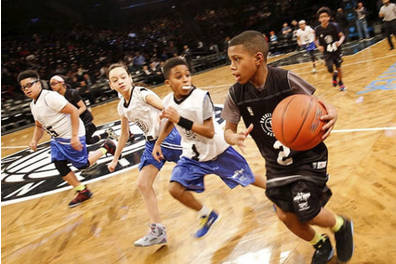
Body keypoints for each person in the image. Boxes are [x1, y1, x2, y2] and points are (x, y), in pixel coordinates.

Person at [222, 30, 354, 264]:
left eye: (237, 59)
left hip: (307, 157)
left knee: (306, 209)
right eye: (230, 60)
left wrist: (331, 110)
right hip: (276, 163)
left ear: (258, 58)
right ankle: (321, 244)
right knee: (285, 214)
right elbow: (228, 130)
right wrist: (234, 137)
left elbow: (319, 103)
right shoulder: (235, 94)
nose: (232, 66)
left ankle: (341, 225)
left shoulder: (285, 79)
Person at [152, 57, 267, 239]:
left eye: (187, 75)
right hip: (193, 156)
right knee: (175, 189)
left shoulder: (201, 98)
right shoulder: (168, 100)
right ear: (168, 82)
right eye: (179, 76)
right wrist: (158, 142)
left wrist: (179, 119)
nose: (185, 79)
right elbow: (169, 121)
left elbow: (209, 132)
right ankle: (206, 214)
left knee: (250, 177)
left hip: (218, 152)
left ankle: (278, 194)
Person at [106, 63, 183, 247]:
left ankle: (235, 170)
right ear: (111, 86)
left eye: (123, 77)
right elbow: (124, 134)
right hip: (151, 143)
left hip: (168, 137)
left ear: (130, 78)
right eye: (115, 80)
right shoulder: (121, 107)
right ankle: (158, 231)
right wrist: (115, 158)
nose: (120, 81)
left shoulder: (142, 94)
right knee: (143, 184)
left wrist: (163, 114)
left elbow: (166, 108)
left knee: (205, 162)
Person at [17, 70, 117, 208]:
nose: (27, 89)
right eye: (24, 87)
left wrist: (75, 137)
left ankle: (107, 147)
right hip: (58, 139)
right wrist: (34, 140)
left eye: (29, 84)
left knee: (83, 165)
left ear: (38, 84)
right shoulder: (33, 105)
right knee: (59, 164)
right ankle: (82, 191)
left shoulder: (49, 97)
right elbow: (39, 126)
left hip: (72, 134)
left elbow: (74, 111)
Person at [49, 75, 118, 144]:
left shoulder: (72, 93)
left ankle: (106, 135)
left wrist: (74, 115)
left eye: (54, 84)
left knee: (86, 141)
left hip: (84, 118)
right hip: (75, 121)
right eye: (51, 84)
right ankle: (106, 134)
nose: (52, 86)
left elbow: (83, 107)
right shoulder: (57, 97)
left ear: (62, 83)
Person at [315, 7, 347, 91]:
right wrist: (318, 46)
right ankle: (334, 75)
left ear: (328, 17)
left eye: (325, 16)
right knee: (329, 68)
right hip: (326, 51)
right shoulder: (317, 29)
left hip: (336, 50)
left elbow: (342, 36)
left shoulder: (334, 26)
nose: (323, 18)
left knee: (338, 67)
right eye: (321, 17)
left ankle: (340, 82)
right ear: (319, 19)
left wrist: (339, 42)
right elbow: (315, 40)